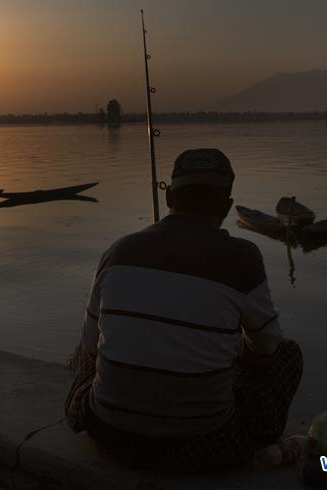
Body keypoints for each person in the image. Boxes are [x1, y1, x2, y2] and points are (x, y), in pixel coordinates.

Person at [65, 148, 303, 472]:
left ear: (170, 199)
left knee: (83, 351)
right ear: (226, 206)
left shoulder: (118, 251)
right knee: (287, 354)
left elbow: (91, 347)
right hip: (205, 447)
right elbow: (269, 347)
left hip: (109, 434)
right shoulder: (243, 259)